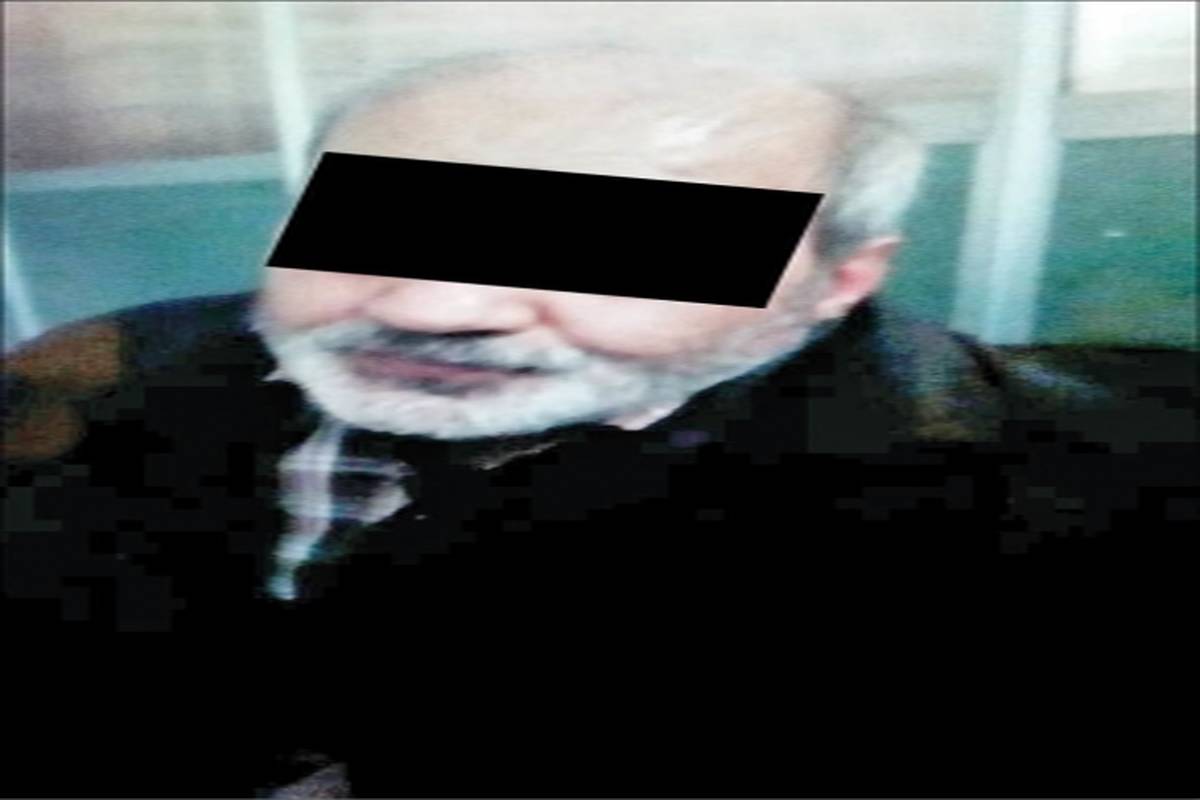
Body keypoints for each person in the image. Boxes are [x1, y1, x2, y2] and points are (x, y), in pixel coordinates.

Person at [3, 48, 1196, 799]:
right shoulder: (103, 380)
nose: (433, 305)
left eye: (622, 246)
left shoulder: (1098, 501)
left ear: (839, 278)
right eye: (375, 221)